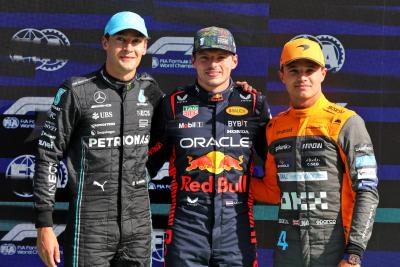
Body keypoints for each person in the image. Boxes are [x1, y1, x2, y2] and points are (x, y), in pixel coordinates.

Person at [33, 11, 164, 267]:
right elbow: (48, 156)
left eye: (136, 41)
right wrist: (44, 225)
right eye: (120, 39)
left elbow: (166, 141)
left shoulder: (151, 90)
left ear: (145, 47)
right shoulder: (77, 90)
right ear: (106, 42)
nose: (128, 47)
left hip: (138, 225)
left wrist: (144, 172)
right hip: (89, 224)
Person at [147, 26, 271, 267]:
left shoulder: (254, 103)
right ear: (193, 61)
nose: (213, 64)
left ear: (234, 61)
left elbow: (276, 162)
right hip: (186, 232)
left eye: (221, 57)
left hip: (237, 233)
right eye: (205, 57)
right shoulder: (172, 104)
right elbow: (147, 164)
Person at [251, 37, 379, 267]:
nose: (302, 77)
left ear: (323, 73)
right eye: (294, 70)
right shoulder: (274, 128)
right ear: (282, 74)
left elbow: (367, 191)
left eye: (310, 70)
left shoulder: (346, 123)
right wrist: (225, 178)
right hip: (287, 249)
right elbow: (272, 191)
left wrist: (354, 253)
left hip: (334, 249)